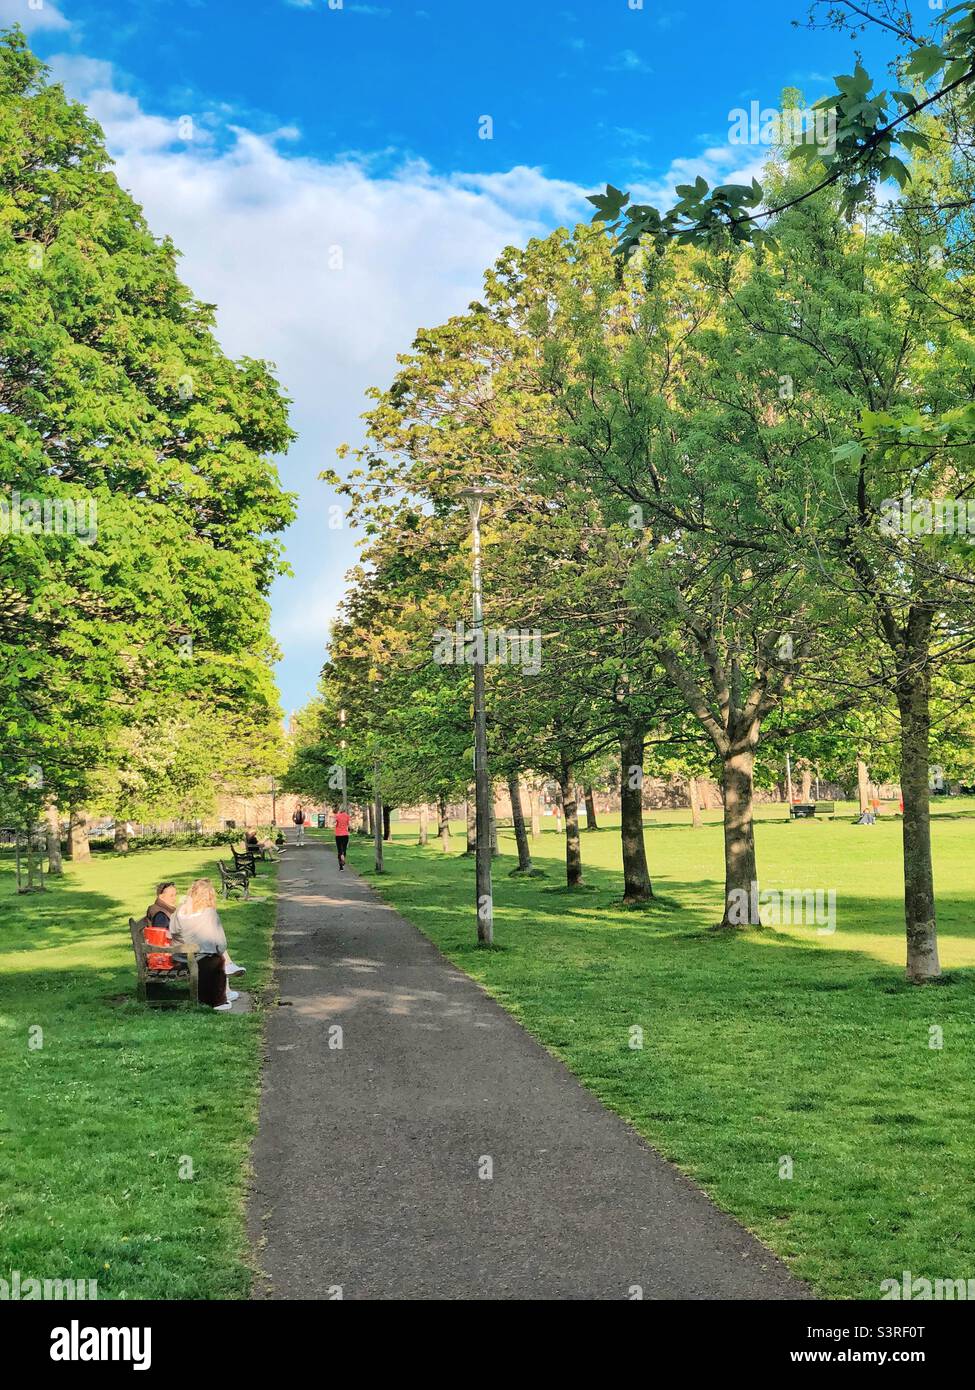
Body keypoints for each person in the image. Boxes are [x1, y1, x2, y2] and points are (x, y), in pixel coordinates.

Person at [146, 879, 245, 979]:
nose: (174, 898)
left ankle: (228, 969)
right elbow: (163, 936)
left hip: (180, 952)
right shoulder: (160, 914)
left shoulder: (168, 910)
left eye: (175, 895)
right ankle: (227, 974)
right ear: (161, 896)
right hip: (176, 954)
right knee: (215, 947)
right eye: (171, 895)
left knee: (213, 944)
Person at [169, 879, 240, 1011]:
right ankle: (220, 999)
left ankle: (229, 973)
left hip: (179, 957)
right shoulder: (209, 914)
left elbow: (171, 931)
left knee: (215, 955)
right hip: (200, 958)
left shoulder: (180, 911)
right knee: (218, 957)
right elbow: (221, 943)